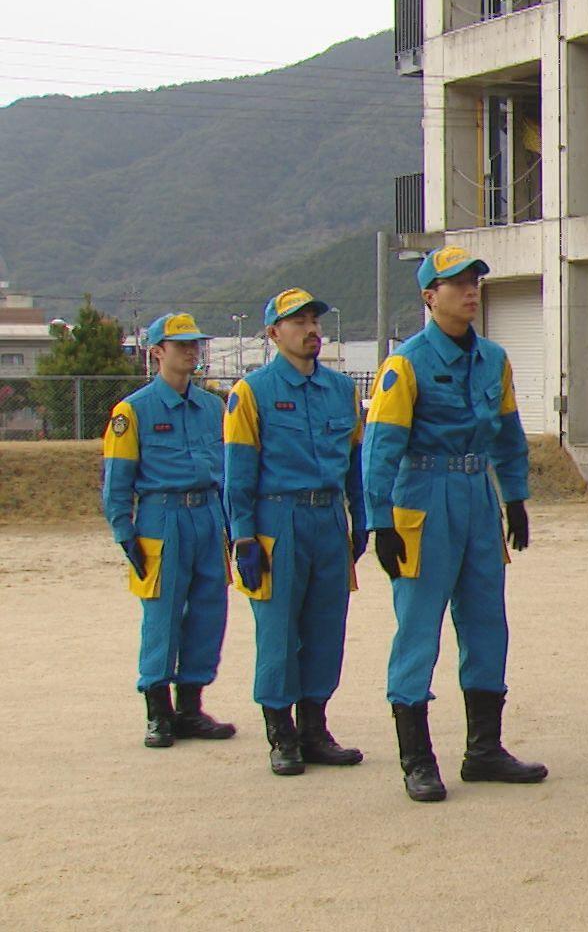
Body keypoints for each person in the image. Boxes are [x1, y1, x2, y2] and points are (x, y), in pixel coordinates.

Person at [362, 246, 545, 803]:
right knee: (419, 626)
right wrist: (379, 521)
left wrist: (514, 498)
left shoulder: (495, 359)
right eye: (456, 283)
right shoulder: (406, 364)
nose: (470, 291)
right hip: (422, 496)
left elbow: (509, 436)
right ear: (428, 296)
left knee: (488, 620)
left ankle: (484, 749)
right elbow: (380, 448)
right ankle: (417, 759)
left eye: (475, 282)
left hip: (476, 496)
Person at [223, 289, 367, 775]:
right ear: (273, 334)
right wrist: (242, 537)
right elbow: (238, 473)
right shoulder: (252, 392)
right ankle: (280, 734)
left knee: (327, 627)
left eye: (313, 319)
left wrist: (360, 518)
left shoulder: (341, 389)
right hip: (277, 520)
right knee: (279, 630)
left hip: (327, 519)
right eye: (297, 321)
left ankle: (315, 728)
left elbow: (353, 464)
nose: (310, 329)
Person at [103, 313, 237, 749]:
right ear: (157, 351)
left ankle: (191, 707)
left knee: (207, 611)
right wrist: (126, 534)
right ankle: (158, 711)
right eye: (180, 345)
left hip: (207, 515)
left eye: (195, 344)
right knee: (162, 614)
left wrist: (232, 524)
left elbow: (229, 471)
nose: (190, 351)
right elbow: (118, 481)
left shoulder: (213, 407)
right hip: (162, 518)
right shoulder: (133, 411)